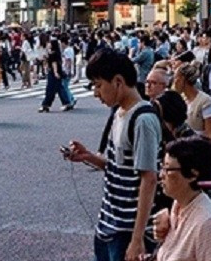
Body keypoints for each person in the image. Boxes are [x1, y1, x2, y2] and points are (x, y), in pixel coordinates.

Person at [64, 49, 161, 261]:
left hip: (127, 230)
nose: (95, 93)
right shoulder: (119, 112)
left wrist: (137, 240)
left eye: (99, 85)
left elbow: (149, 179)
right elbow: (120, 166)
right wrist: (88, 156)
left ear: (118, 81)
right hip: (108, 223)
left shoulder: (143, 120)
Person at [149, 136, 211, 261]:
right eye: (161, 167)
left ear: (193, 174)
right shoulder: (178, 206)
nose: (161, 175)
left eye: (168, 169)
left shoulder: (207, 224)